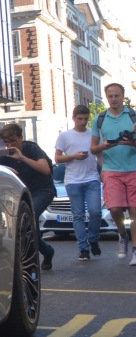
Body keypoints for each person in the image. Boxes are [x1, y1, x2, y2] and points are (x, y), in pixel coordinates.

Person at [0, 122, 55, 270]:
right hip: (22, 194)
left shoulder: (31, 148)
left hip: (42, 190)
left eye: (13, 140)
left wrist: (22, 158)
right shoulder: (6, 154)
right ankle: (46, 251)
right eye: (6, 142)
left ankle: (31, 261)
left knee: (30, 216)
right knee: (27, 225)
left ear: (20, 138)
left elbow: (45, 169)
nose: (10, 145)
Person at [91, 82, 136, 263]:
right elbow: (93, 149)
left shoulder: (133, 116)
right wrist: (104, 145)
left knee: (134, 211)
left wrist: (132, 143)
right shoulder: (99, 119)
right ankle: (122, 235)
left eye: (117, 96)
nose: (114, 99)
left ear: (123, 96)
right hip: (110, 170)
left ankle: (135, 250)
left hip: (133, 169)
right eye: (110, 96)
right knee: (115, 208)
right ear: (106, 97)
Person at [55, 105, 103, 261]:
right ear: (73, 118)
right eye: (79, 119)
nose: (83, 122)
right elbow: (57, 158)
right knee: (78, 216)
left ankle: (93, 239)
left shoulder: (93, 135)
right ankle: (83, 248)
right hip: (73, 180)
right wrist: (73, 156)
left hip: (92, 178)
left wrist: (104, 172)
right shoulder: (65, 136)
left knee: (96, 212)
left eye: (85, 118)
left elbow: (100, 153)